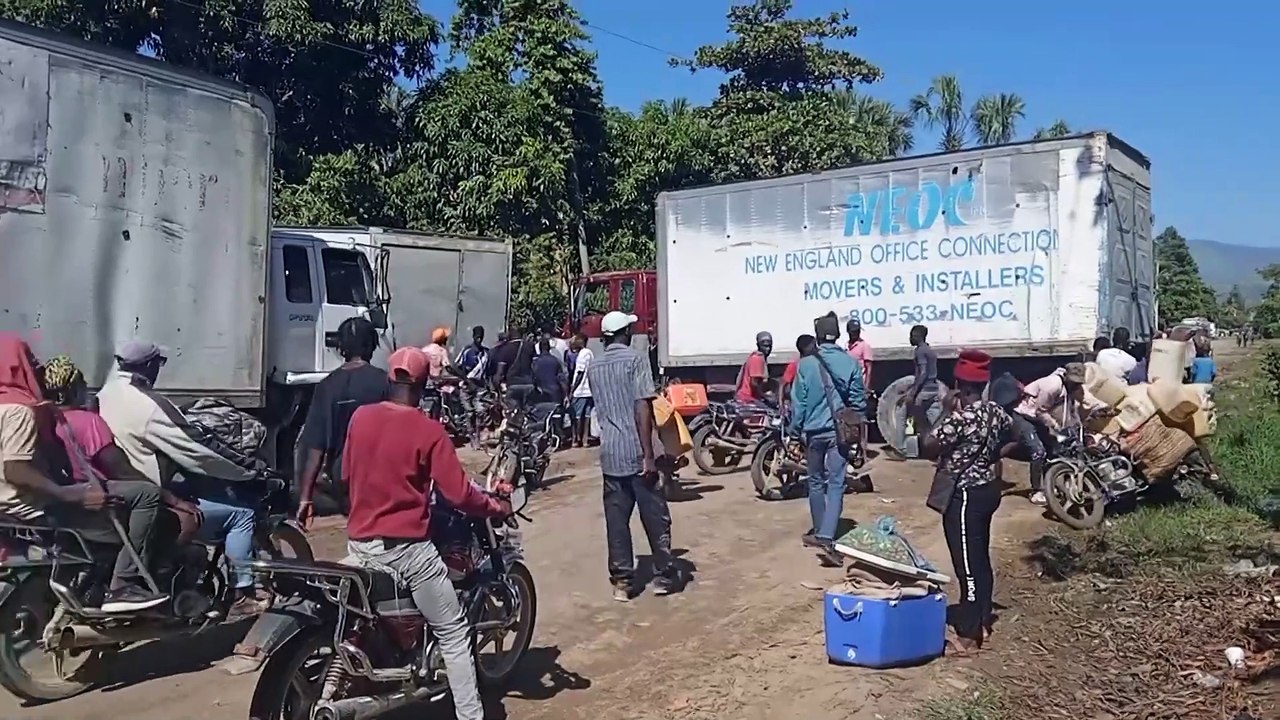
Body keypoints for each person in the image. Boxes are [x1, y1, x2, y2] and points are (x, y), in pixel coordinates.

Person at [342, 347, 511, 720]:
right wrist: (495, 506)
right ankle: (470, 715)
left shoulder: (360, 418)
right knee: (453, 630)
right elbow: (459, 494)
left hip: (359, 544)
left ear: (389, 380)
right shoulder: (429, 430)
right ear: (423, 386)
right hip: (406, 553)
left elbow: (346, 475)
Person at [97, 340, 267, 617]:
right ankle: (243, 595)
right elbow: (195, 448)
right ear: (150, 365)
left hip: (119, 488)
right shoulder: (148, 404)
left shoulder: (106, 394)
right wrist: (248, 470)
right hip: (148, 497)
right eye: (159, 364)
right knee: (242, 514)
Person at [0, 335, 168, 613]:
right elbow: (15, 469)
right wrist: (68, 494)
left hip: (8, 510)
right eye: (29, 360)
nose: (36, 367)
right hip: (31, 506)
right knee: (147, 494)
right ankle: (123, 586)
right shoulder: (19, 410)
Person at [42, 355, 203, 532]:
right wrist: (172, 499)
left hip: (64, 500)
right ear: (73, 391)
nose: (87, 387)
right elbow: (121, 470)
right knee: (184, 518)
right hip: (99, 499)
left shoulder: (42, 419)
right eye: (83, 383)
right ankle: (137, 559)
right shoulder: (88, 422)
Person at [921, 349, 1011, 655]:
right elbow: (1017, 436)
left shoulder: (960, 418)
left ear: (960, 382)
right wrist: (992, 454)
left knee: (966, 567)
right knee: (981, 558)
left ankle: (970, 636)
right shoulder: (996, 413)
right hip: (988, 490)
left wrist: (943, 411)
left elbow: (928, 445)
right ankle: (983, 618)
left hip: (964, 496)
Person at [586, 311, 678, 602]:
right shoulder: (635, 360)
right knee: (655, 515)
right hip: (636, 453)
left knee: (617, 520)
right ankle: (663, 574)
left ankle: (622, 581)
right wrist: (648, 455)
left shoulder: (595, 366)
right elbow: (642, 407)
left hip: (610, 453)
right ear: (624, 333)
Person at [295, 318, 389, 529]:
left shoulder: (327, 386)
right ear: (372, 345)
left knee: (358, 527)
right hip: (380, 475)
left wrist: (305, 498)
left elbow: (314, 447)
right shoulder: (384, 381)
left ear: (341, 347)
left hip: (343, 477)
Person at [788, 314, 866, 567]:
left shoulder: (806, 364)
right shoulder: (851, 363)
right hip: (839, 433)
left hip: (813, 432)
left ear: (818, 335)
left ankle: (820, 529)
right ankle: (826, 535)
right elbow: (858, 402)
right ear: (839, 335)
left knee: (815, 482)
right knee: (836, 483)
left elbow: (798, 403)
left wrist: (793, 432)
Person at [989, 371, 1048, 506]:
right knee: (1038, 452)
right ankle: (1037, 490)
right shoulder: (1014, 402)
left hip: (1024, 417)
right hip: (1020, 417)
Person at [1014, 363, 1089, 435]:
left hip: (1039, 418)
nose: (1075, 385)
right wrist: (1056, 426)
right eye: (1073, 382)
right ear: (1065, 376)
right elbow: (1040, 411)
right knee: (1034, 446)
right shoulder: (1053, 386)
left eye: (1078, 383)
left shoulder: (1069, 389)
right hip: (1025, 414)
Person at [530, 338, 567, 430]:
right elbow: (562, 380)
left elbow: (532, 378)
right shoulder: (556, 361)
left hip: (541, 393)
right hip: (555, 393)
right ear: (550, 348)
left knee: (541, 416)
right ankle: (558, 435)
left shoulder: (535, 362)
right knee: (557, 415)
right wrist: (566, 395)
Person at [568, 332, 595, 447]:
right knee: (587, 415)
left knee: (576, 416)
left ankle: (576, 439)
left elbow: (580, 372)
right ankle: (585, 440)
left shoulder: (582, 355)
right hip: (589, 389)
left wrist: (572, 390)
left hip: (581, 390)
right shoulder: (590, 353)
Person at [780, 334, 818, 415]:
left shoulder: (816, 363)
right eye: (814, 345)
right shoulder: (795, 365)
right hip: (799, 406)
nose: (817, 348)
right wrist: (781, 404)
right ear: (807, 348)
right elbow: (782, 384)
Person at [734, 331, 773, 404]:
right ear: (758, 345)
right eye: (764, 346)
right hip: (747, 398)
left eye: (769, 346)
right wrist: (764, 396)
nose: (767, 349)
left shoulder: (760, 358)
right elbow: (754, 383)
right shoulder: (757, 359)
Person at [846, 318, 873, 391]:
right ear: (848, 332)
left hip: (860, 385)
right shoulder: (846, 346)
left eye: (858, 331)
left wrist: (866, 388)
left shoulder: (864, 346)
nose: (856, 333)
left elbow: (868, 368)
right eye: (854, 332)